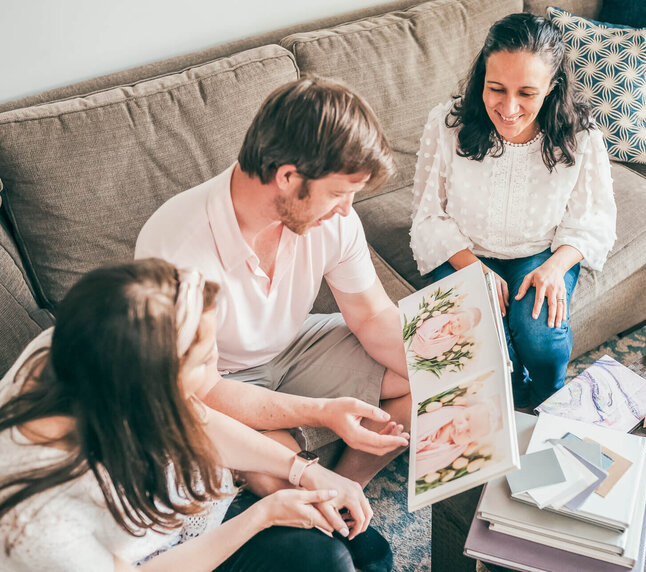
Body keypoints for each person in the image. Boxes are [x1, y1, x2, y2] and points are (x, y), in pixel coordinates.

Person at [0, 259, 376, 571]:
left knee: (358, 548)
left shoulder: (81, 350)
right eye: (204, 361)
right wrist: (262, 515)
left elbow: (198, 420)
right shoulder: (40, 523)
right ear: (152, 386)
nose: (217, 365)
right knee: (327, 559)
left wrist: (306, 470)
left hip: (180, 517)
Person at [135, 77, 411, 497]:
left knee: (429, 382)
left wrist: (448, 368)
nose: (345, 210)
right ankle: (317, 494)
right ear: (286, 176)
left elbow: (372, 315)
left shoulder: (332, 222)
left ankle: (349, 487)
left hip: (297, 345)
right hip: (221, 380)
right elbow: (202, 390)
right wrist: (322, 413)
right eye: (338, 193)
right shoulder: (176, 250)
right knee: (283, 477)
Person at [409, 13, 617, 409]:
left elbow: (594, 217)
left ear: (552, 87)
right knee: (486, 351)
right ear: (481, 78)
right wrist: (473, 267)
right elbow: (428, 214)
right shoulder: (447, 124)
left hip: (540, 251)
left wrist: (555, 267)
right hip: (462, 250)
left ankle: (548, 401)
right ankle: (504, 404)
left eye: (527, 93)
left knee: (542, 338)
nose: (508, 107)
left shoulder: (580, 134)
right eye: (496, 88)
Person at [415, 398, 501, 479]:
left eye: (468, 432)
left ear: (472, 440)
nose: (461, 428)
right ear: (466, 409)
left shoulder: (455, 449)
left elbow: (436, 463)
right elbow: (426, 422)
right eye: (467, 418)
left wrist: (438, 442)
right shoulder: (448, 413)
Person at [410, 307, 481, 359]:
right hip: (424, 335)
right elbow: (432, 322)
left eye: (459, 327)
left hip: (428, 349)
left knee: (428, 347)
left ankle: (423, 347)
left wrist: (441, 336)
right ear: (456, 314)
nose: (455, 324)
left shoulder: (453, 339)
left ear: (462, 332)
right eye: (457, 319)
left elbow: (443, 348)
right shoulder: (446, 317)